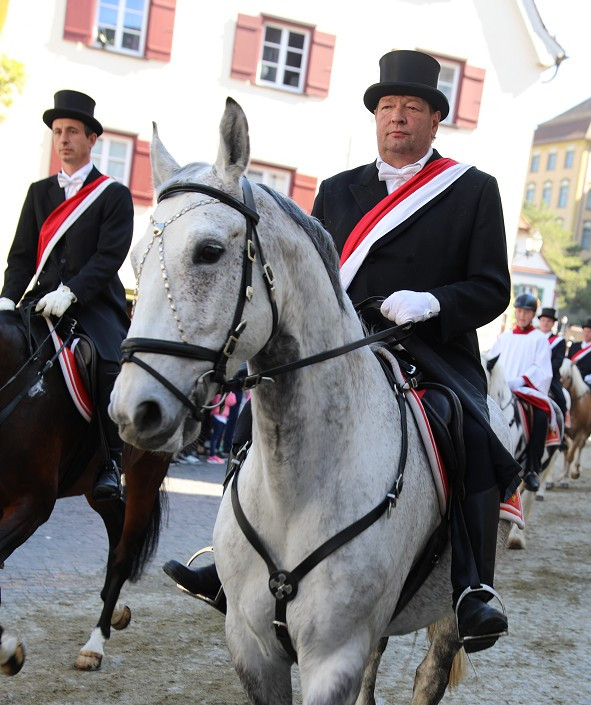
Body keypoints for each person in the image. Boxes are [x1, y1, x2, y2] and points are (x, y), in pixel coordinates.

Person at [165, 49, 520, 652]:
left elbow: (492, 287)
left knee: (463, 428)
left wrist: (433, 303)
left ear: (436, 121)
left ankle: (471, 587)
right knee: (266, 415)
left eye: (412, 108)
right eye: (388, 107)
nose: (398, 118)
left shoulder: (473, 191)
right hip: (343, 344)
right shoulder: (337, 189)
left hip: (428, 348)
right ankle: (231, 566)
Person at [0, 90, 134, 500]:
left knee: (106, 362)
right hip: (39, 301)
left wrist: (72, 292)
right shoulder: (39, 192)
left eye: (72, 131)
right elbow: (22, 255)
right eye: (58, 131)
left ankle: (110, 463)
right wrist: (7, 299)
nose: (63, 139)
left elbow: (109, 256)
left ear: (92, 139)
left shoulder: (112, 194)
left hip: (93, 303)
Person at [485, 293, 554, 491]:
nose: (522, 315)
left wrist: (520, 381)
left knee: (541, 416)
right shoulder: (504, 337)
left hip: (524, 388)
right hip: (500, 388)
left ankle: (532, 469)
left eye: (527, 312)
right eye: (520, 311)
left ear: (533, 314)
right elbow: (492, 361)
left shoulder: (539, 339)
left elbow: (541, 369)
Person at [567, 318, 591, 434]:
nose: (587, 333)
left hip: (588, 379)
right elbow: (567, 363)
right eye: (585, 330)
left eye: (590, 332)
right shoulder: (574, 346)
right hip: (573, 378)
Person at [537, 306, 567, 422]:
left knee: (561, 399)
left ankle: (561, 427)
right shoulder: (533, 337)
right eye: (543, 320)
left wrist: (543, 371)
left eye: (548, 321)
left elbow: (558, 361)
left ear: (553, 323)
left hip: (550, 376)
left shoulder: (559, 341)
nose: (545, 323)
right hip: (528, 374)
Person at [206, 391, 237, 463]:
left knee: (218, 437)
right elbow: (232, 401)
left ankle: (214, 454)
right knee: (215, 437)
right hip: (218, 416)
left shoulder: (221, 393)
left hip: (222, 417)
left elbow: (233, 401)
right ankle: (211, 456)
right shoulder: (221, 393)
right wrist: (230, 393)